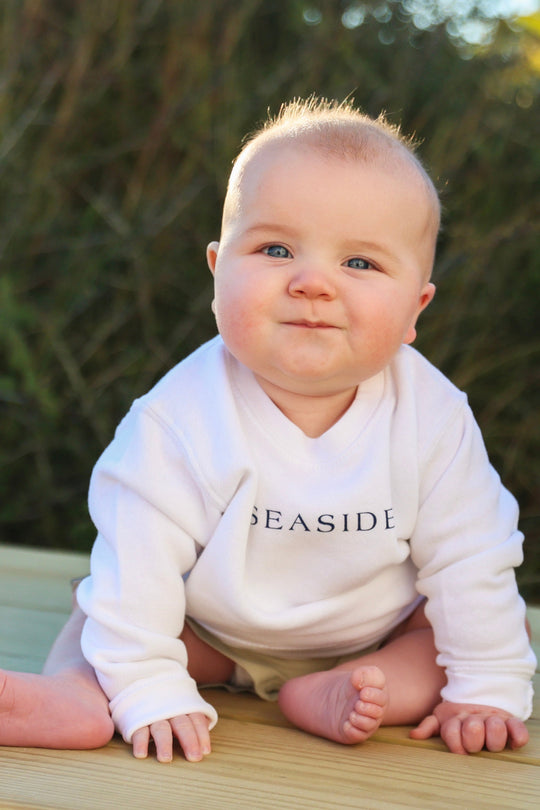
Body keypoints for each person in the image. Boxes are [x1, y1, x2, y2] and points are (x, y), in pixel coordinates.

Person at [0, 98, 535, 764]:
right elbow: (139, 563)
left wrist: (486, 686)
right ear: (218, 270)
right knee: (102, 611)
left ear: (414, 308)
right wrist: (147, 687)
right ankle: (78, 696)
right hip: (207, 633)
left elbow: (470, 555)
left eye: (360, 264)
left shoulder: (433, 416)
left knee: (457, 635)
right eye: (276, 249)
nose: (312, 283)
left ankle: (336, 690)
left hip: (372, 639)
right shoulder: (178, 417)